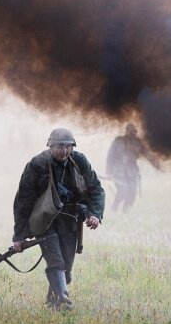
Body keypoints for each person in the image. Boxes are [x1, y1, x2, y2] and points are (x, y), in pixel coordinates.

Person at [13, 127, 105, 309]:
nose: (64, 151)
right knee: (56, 261)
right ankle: (63, 302)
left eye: (68, 146)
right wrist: (19, 236)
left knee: (66, 269)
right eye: (60, 146)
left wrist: (94, 214)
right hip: (44, 221)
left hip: (70, 220)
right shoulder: (37, 164)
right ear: (50, 146)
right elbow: (23, 200)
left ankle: (52, 301)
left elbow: (95, 188)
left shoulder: (79, 161)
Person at [105, 124, 160, 213]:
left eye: (133, 131)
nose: (131, 133)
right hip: (118, 171)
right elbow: (110, 156)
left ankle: (126, 211)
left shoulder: (138, 143)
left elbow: (148, 155)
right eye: (129, 131)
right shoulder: (118, 141)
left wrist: (158, 166)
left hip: (132, 171)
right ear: (126, 131)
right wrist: (108, 172)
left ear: (135, 132)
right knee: (123, 190)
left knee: (132, 192)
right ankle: (114, 207)